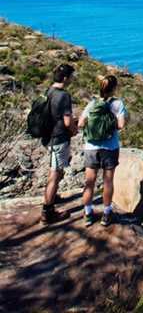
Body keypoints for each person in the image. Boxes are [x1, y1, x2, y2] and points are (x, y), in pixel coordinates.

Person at [78, 75, 128, 227]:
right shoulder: (118, 104)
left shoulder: (92, 103)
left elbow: (80, 123)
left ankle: (88, 214)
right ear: (114, 88)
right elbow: (120, 125)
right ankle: (106, 214)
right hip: (110, 147)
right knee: (108, 182)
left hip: (91, 147)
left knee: (89, 182)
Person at [42, 63, 78, 224]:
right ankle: (48, 211)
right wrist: (74, 130)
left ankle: (52, 196)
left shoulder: (49, 90)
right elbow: (67, 120)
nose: (72, 79)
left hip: (49, 135)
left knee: (56, 169)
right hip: (59, 137)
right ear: (65, 78)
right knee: (55, 173)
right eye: (71, 76)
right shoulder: (63, 96)